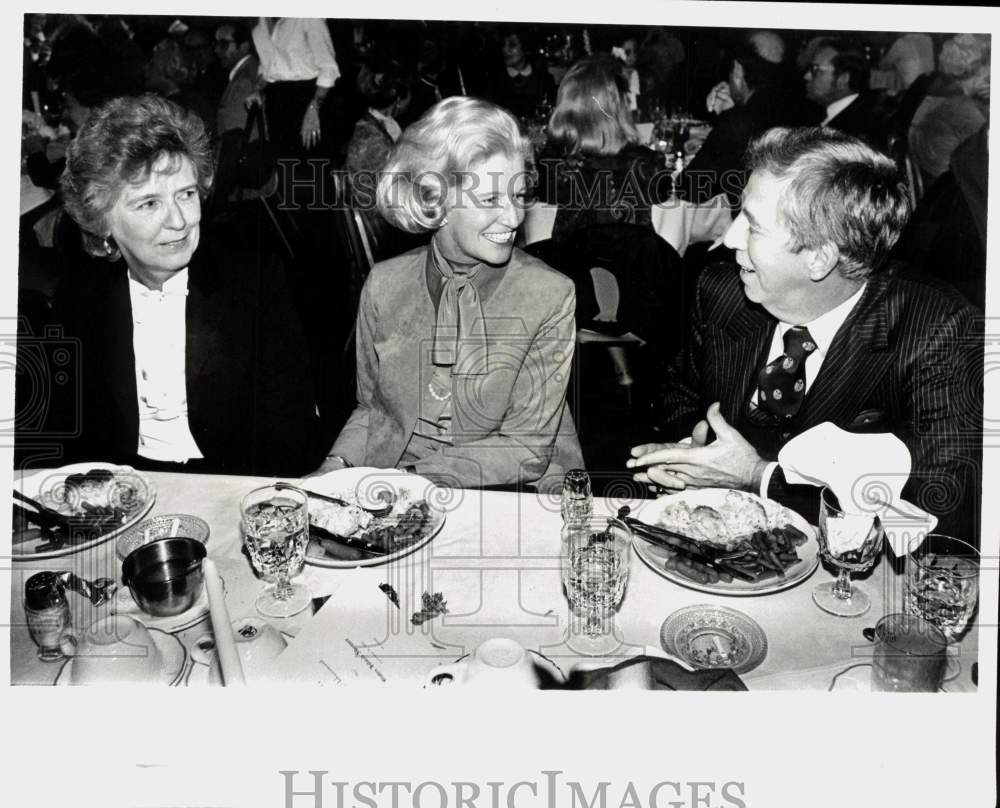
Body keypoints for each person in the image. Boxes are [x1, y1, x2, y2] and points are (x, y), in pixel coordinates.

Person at [628, 126, 981, 542]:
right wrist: (692, 451)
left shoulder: (938, 330)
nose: (729, 237)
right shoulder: (721, 290)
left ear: (819, 258)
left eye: (754, 227)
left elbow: (941, 512)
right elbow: (682, 392)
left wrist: (756, 477)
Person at [50, 94, 323, 476]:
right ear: (101, 220)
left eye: (187, 194)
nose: (178, 221)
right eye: (148, 204)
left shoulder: (253, 281)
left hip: (231, 485)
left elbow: (290, 432)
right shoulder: (79, 299)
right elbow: (68, 439)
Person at [318, 97, 583, 489]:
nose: (513, 218)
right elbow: (373, 410)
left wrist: (409, 481)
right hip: (395, 485)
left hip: (511, 489)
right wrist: (335, 466)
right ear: (434, 201)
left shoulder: (548, 296)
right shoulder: (384, 285)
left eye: (519, 194)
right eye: (491, 199)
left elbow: (525, 448)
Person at [680, 36, 820, 205]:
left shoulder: (738, 121)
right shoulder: (805, 110)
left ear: (738, 70)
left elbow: (688, 188)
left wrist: (726, 117)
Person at [251, 17, 340, 159]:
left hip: (309, 98)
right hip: (277, 101)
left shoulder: (307, 17)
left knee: (312, 166)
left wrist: (314, 109)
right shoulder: (258, 27)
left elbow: (328, 68)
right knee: (284, 164)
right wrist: (258, 89)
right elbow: (267, 69)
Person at [804, 37, 894, 152]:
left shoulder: (848, 135)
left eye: (816, 70)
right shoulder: (857, 110)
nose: (806, 76)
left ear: (843, 79)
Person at [487, 26, 555, 121]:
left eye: (512, 45)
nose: (505, 50)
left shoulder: (544, 79)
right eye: (503, 45)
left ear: (525, 47)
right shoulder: (494, 80)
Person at [214, 19, 259, 136]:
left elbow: (235, 134)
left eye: (224, 45)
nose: (217, 50)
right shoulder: (248, 72)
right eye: (216, 44)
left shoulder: (244, 80)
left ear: (244, 47)